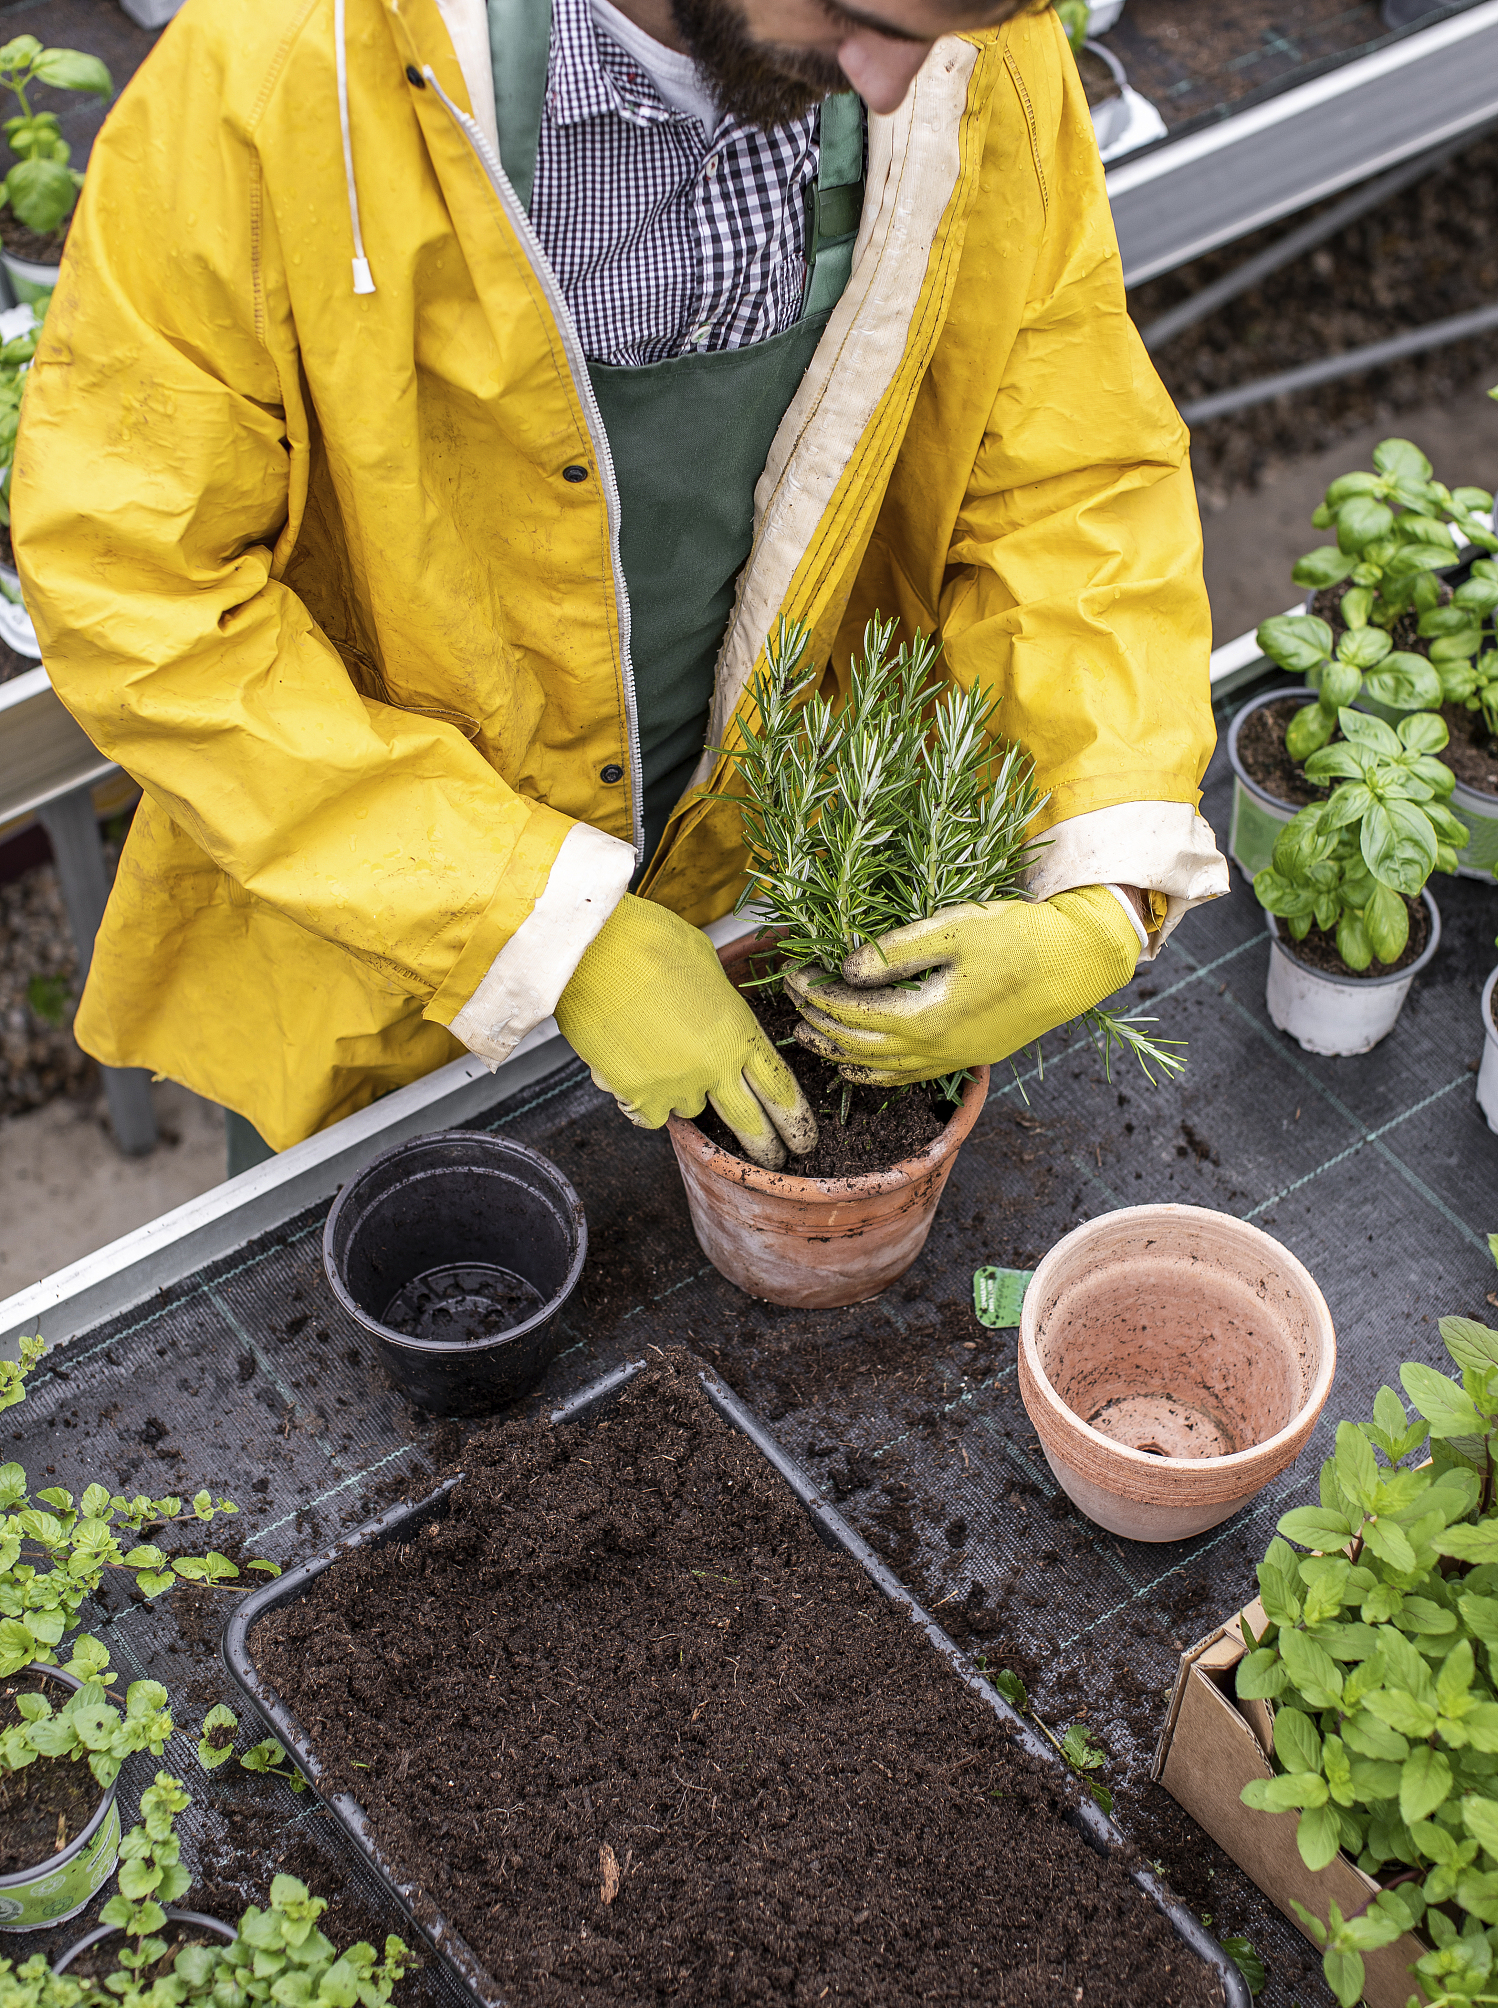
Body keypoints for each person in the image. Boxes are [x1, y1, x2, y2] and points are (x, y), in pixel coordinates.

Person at [15, 0, 1227, 1175]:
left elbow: (1065, 465)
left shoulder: (956, 46)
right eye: (853, 18)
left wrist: (1100, 877)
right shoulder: (291, 68)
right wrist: (539, 922)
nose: (897, 85)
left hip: (769, 842)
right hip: (389, 906)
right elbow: (141, 584)